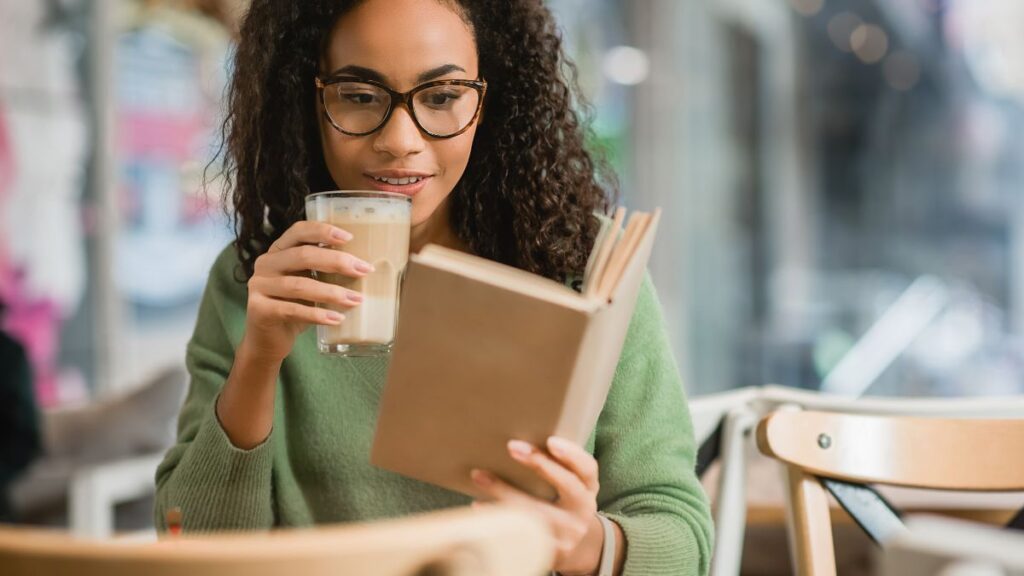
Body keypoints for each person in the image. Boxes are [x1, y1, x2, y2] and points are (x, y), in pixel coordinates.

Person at [154, 1, 713, 574]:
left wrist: (588, 544)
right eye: (359, 95)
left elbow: (681, 540)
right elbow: (190, 545)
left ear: (488, 101)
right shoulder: (257, 278)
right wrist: (258, 359)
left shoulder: (583, 265)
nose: (400, 140)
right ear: (309, 101)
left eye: (442, 98)